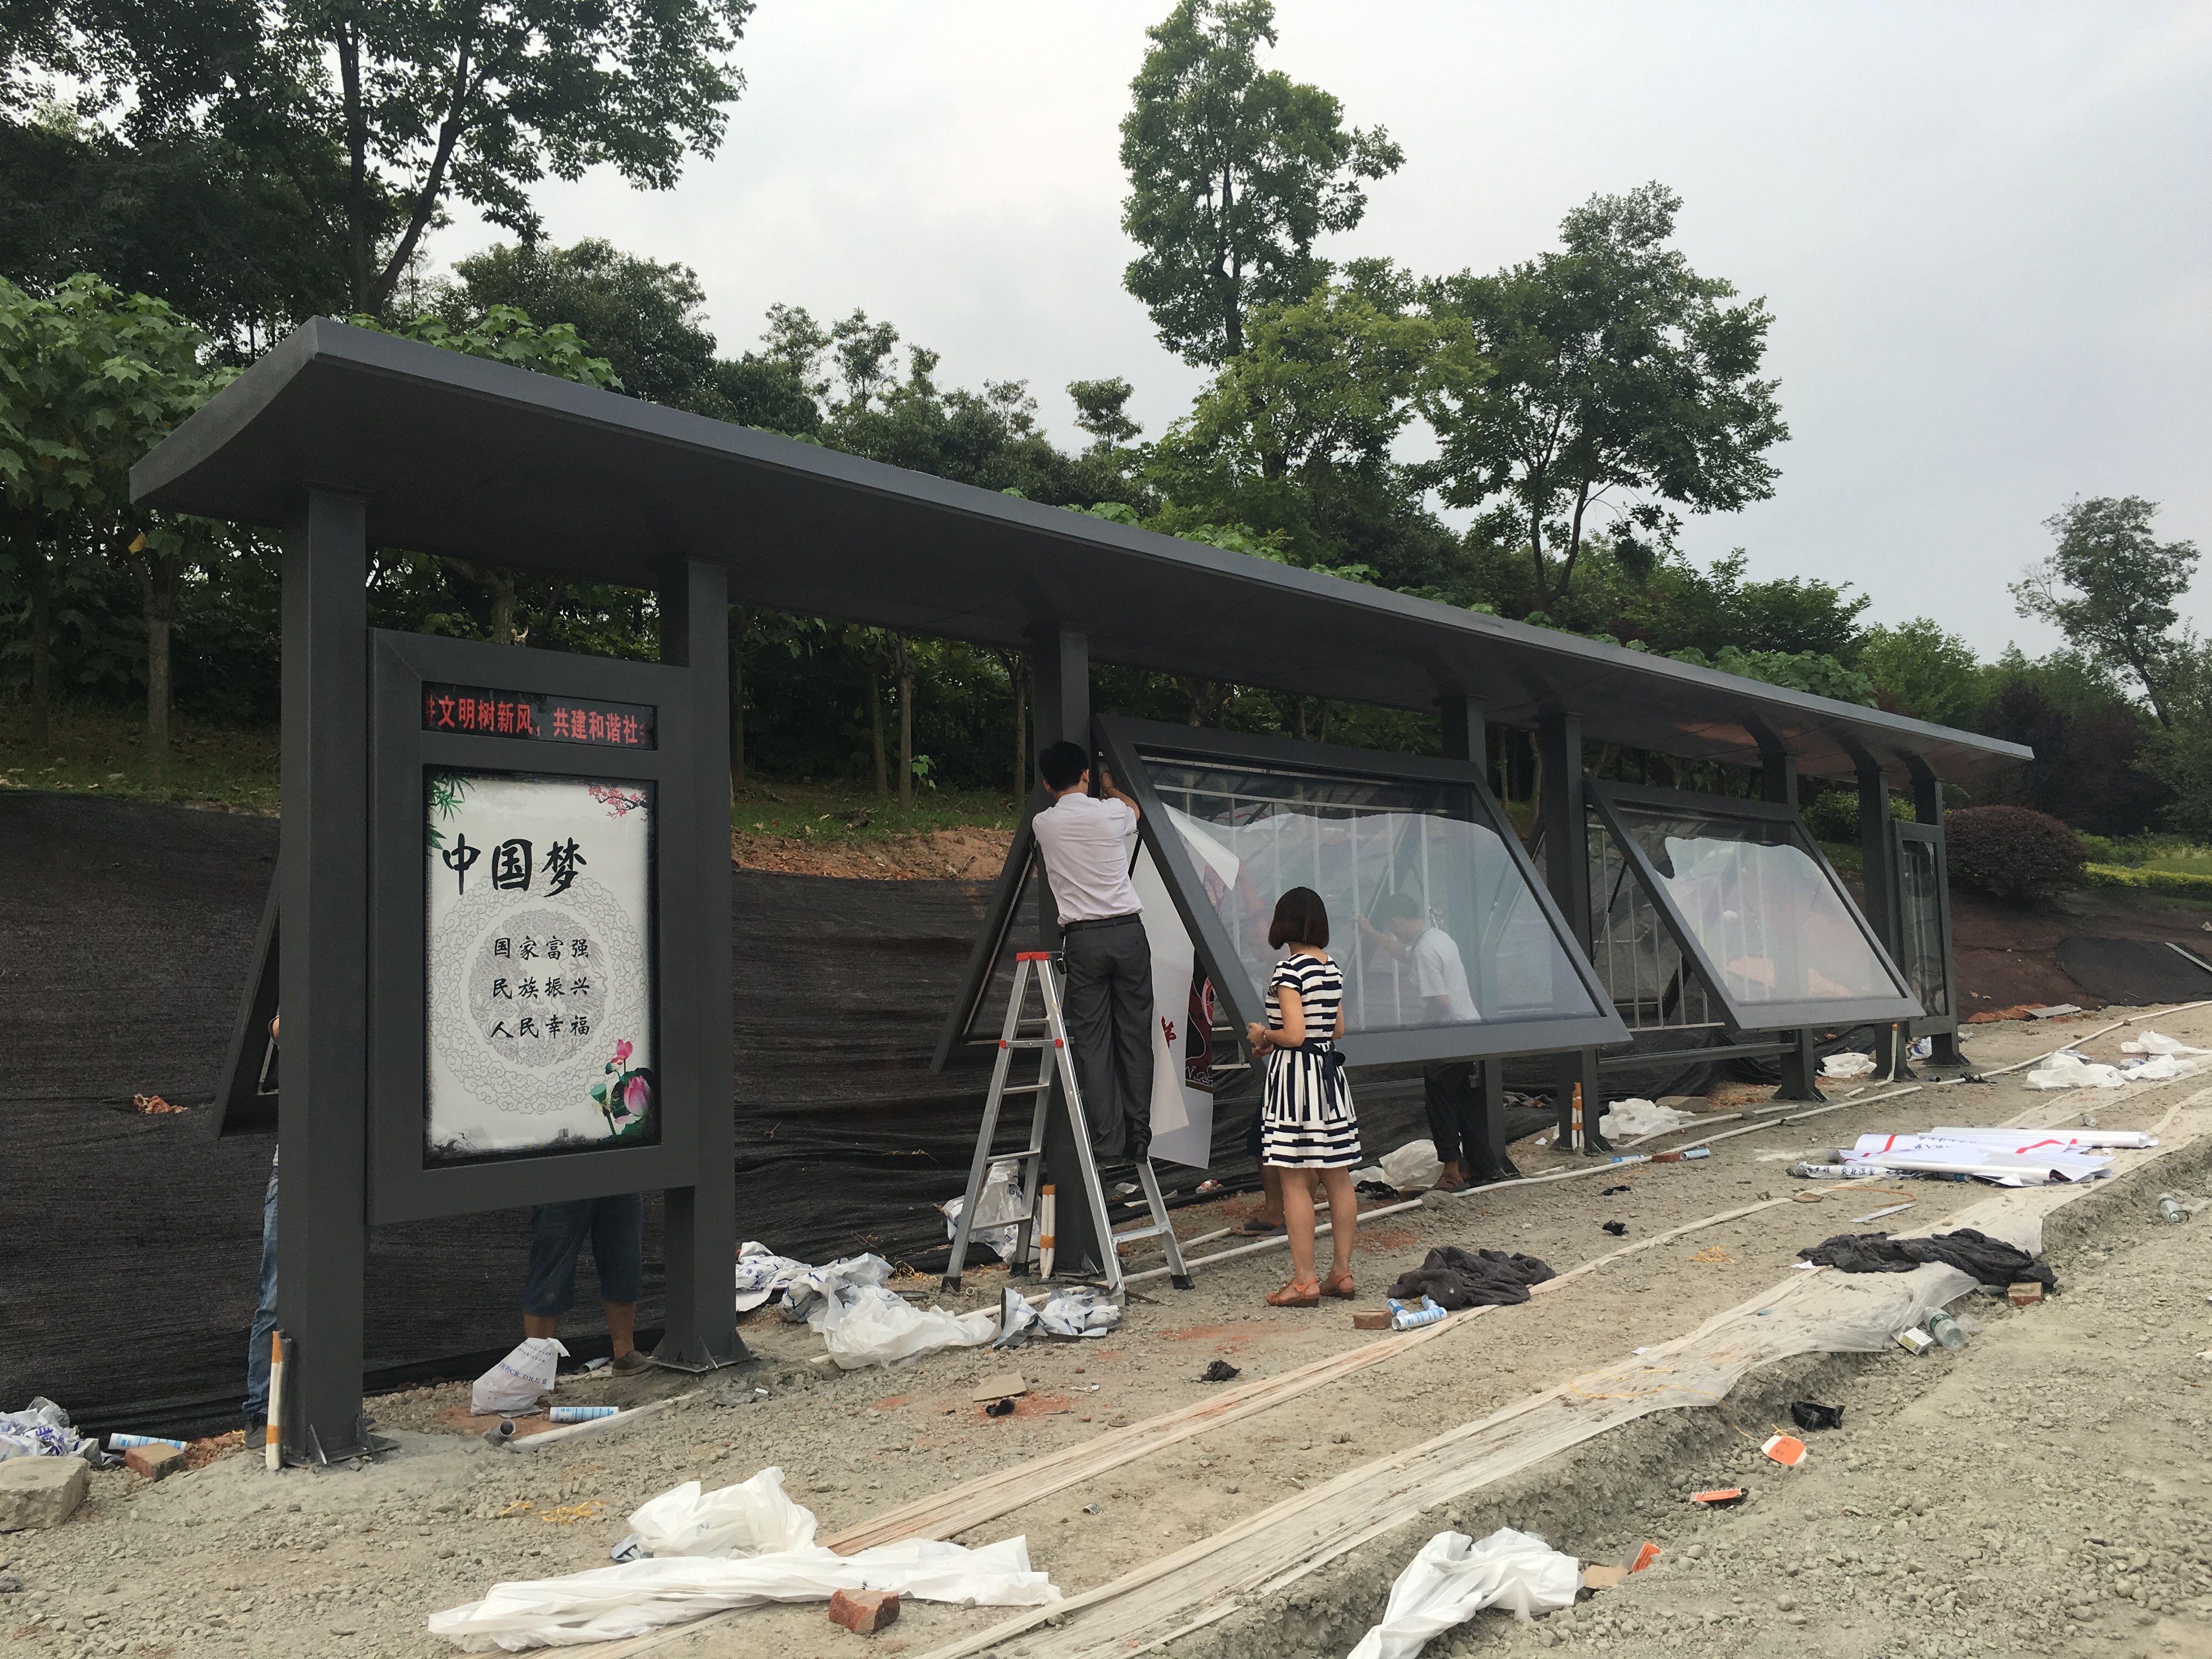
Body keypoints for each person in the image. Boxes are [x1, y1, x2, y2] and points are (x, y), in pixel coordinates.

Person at [1030, 738, 1153, 1161]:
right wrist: (1111, 787)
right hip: (1128, 935)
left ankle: (1108, 1140)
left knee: (1093, 1043)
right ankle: (1139, 1136)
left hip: (1083, 940)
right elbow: (1135, 811)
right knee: (1135, 1037)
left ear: (1048, 785)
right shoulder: (1111, 812)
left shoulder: (1043, 824)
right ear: (1086, 775)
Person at [1245, 886, 1360, 1307]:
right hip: (1329, 1076)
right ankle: (1341, 1273)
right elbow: (1336, 1029)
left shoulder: (1288, 970)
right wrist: (1280, 1040)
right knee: (1338, 1176)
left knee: (1294, 1178)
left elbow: (1294, 1035)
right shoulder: (1331, 968)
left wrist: (1264, 1034)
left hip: (1295, 1080)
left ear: (1283, 923)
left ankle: (1304, 1282)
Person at [1359, 892, 1500, 1191]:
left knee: (1440, 1101)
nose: (1394, 933)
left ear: (1397, 920)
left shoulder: (1425, 950)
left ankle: (1451, 1171)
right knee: (1462, 1099)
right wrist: (1371, 933)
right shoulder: (1437, 937)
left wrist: (1419, 1030)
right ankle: (1481, 1164)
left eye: (1391, 927)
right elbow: (1403, 953)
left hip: (1448, 1035)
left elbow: (1440, 1001)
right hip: (1468, 1030)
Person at [523, 1196, 652, 1372]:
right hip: (559, 1185)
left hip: (619, 1182)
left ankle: (625, 1355)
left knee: (625, 1263)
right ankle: (536, 1372)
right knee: (550, 1274)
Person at [242, 1020, 280, 1442]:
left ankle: (331, 1408)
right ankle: (260, 1412)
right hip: (293, 1171)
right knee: (275, 1299)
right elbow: (279, 1027)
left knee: (336, 1295)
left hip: (346, 1168)